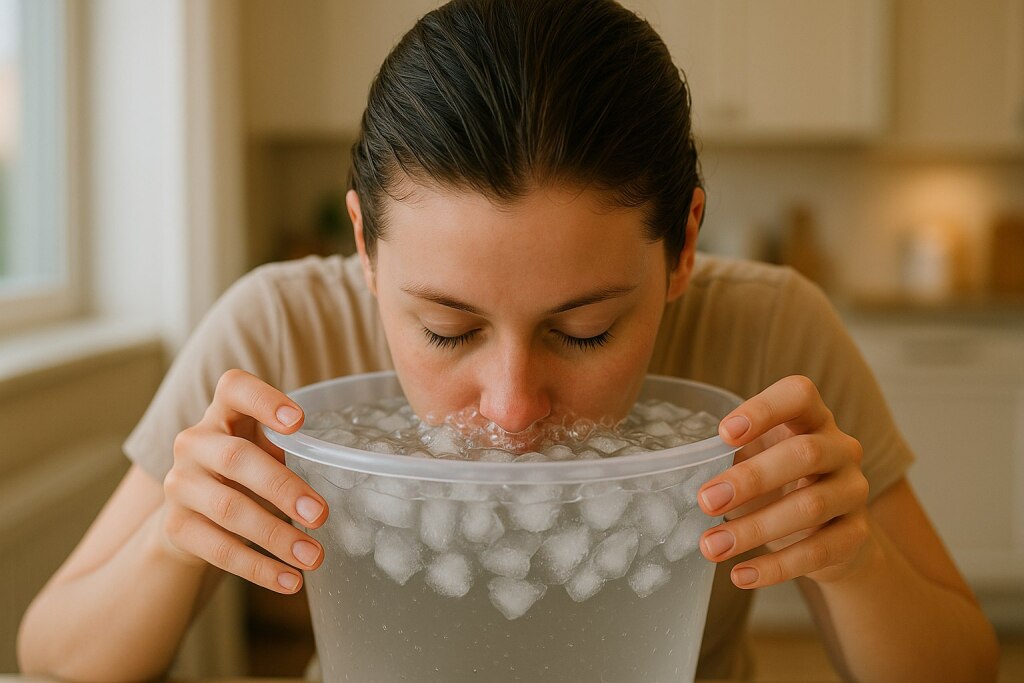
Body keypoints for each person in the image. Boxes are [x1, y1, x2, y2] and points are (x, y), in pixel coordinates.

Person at [18, 0, 999, 680]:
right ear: (363, 244)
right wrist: (171, 538)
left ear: (683, 244)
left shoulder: (773, 333)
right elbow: (52, 650)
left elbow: (961, 664)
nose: (512, 405)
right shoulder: (274, 330)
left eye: (586, 328)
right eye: (445, 327)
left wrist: (851, 556)